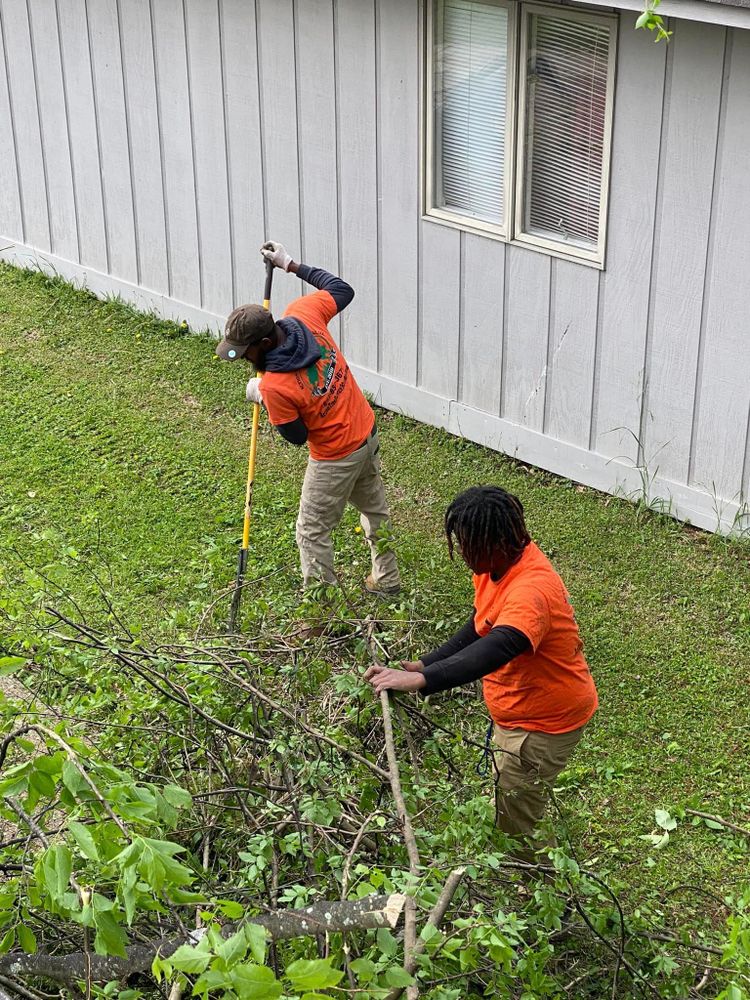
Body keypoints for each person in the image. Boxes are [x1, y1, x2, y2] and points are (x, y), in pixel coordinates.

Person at [365, 485, 597, 859]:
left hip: (544, 724)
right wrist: (428, 662)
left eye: (468, 543)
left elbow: (497, 647)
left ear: (497, 541)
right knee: (515, 793)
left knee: (518, 821)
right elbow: (481, 625)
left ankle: (545, 892)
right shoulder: (495, 566)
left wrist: (425, 680)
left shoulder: (531, 591)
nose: (461, 552)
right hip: (521, 715)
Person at [215, 240, 400, 596]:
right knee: (375, 511)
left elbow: (296, 436)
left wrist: (261, 396)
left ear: (266, 345)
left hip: (336, 456)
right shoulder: (304, 313)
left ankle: (320, 611)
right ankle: (387, 579)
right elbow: (341, 290)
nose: (240, 358)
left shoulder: (276, 387)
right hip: (365, 429)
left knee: (311, 530)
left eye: (244, 352)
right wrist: (292, 265)